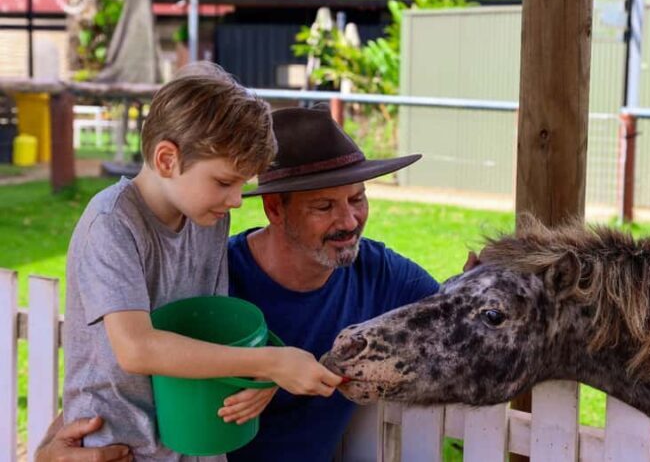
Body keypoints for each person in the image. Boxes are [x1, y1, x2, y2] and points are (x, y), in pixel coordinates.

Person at [39, 104, 447, 462]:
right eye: (324, 206)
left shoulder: (378, 272)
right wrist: (50, 447)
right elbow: (130, 360)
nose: (349, 221)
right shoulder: (215, 274)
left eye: (357, 199)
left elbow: (454, 319)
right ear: (275, 209)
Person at [62, 74, 342, 462]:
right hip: (116, 448)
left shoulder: (206, 217)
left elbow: (214, 329)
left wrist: (259, 377)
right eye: (224, 181)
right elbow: (136, 348)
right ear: (167, 159)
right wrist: (269, 362)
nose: (236, 200)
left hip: (194, 441)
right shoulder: (112, 223)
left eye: (241, 184)